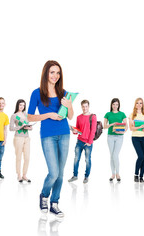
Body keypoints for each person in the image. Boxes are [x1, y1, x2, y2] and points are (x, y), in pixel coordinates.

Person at [27, 60, 73, 217]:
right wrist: (49, 115)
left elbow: (70, 115)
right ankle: (44, 195)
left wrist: (69, 105)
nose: (55, 75)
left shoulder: (63, 92)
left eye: (58, 73)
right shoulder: (37, 93)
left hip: (64, 133)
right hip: (48, 135)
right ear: (46, 73)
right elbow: (30, 117)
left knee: (61, 173)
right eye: (52, 72)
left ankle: (55, 203)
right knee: (53, 172)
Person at [68, 100, 97, 184]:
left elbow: (93, 130)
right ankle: (75, 176)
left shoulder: (93, 117)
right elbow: (78, 130)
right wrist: (74, 131)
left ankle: (86, 176)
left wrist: (89, 142)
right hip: (79, 141)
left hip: (88, 143)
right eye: (83, 106)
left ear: (88, 106)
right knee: (76, 159)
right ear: (81, 107)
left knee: (87, 160)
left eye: (86, 106)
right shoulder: (78, 117)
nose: (85, 108)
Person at [128, 98, 144, 183]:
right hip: (135, 138)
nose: (139, 105)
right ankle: (136, 174)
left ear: (143, 104)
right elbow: (131, 128)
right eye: (137, 103)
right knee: (140, 156)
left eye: (140, 103)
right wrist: (140, 127)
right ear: (135, 104)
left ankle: (141, 176)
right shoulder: (132, 115)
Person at [104, 98, 128, 182]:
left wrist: (122, 131)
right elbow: (104, 126)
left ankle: (118, 173)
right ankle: (113, 174)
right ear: (111, 105)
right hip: (110, 136)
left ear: (118, 105)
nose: (115, 106)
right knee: (112, 155)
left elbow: (126, 126)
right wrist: (111, 124)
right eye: (113, 104)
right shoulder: (108, 114)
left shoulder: (122, 114)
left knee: (115, 155)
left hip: (119, 137)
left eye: (116, 104)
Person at [9, 99, 32, 183]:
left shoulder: (26, 115)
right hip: (18, 138)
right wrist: (20, 126)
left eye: (23, 105)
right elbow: (11, 128)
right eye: (20, 105)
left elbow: (29, 127)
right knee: (18, 157)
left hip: (27, 138)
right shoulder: (14, 116)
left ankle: (24, 175)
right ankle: (19, 175)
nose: (22, 107)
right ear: (17, 105)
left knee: (27, 157)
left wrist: (29, 127)